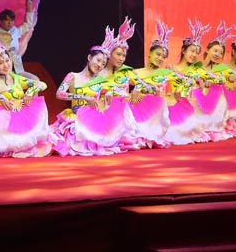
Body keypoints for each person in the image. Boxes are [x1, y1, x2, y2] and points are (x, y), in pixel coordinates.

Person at [51, 28, 137, 156]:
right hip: (75, 118)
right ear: (89, 57)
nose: (100, 65)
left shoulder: (101, 82)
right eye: (98, 60)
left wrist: (111, 93)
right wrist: (84, 97)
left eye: (103, 63)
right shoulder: (72, 76)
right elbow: (59, 94)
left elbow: (121, 93)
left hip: (93, 121)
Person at [0, 24, 51, 158]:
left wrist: (30, 91)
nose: (6, 65)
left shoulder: (15, 78)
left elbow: (42, 84)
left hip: (22, 117)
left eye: (7, 61)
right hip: (5, 124)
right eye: (0, 63)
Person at [125, 20, 174, 148]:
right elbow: (121, 89)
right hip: (138, 111)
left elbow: (176, 90)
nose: (160, 58)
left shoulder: (166, 74)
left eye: (163, 56)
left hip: (157, 112)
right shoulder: (136, 72)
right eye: (158, 54)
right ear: (149, 53)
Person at [0, 0, 38, 80]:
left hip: (18, 70)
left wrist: (29, 7)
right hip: (3, 70)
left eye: (12, 20)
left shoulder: (16, 31)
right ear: (0, 21)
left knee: (35, 80)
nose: (10, 22)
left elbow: (28, 24)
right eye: (7, 20)